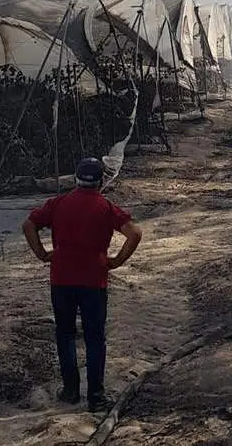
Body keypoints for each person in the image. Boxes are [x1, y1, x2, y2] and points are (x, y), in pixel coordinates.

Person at [22, 157, 142, 412]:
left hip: (62, 278)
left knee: (65, 334)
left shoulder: (59, 203)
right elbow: (135, 233)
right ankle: (96, 396)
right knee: (95, 337)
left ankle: (70, 391)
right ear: (100, 182)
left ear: (76, 179)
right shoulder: (106, 206)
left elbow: (29, 225)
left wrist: (42, 254)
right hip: (94, 280)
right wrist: (117, 260)